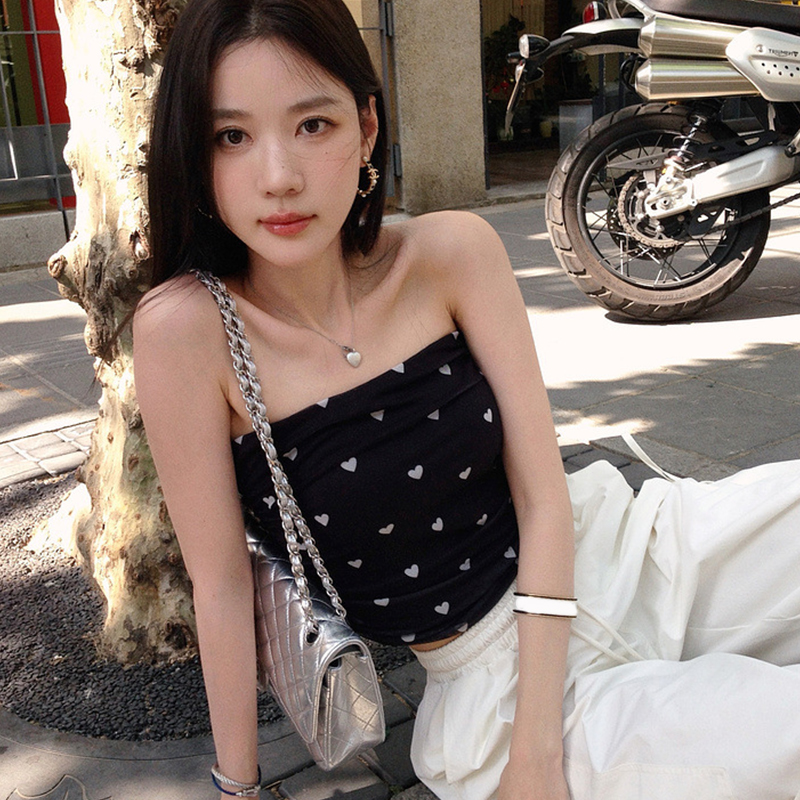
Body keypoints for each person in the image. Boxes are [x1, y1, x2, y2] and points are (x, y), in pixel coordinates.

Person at [132, 1, 800, 799]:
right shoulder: (186, 333)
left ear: (366, 128)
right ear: (194, 151)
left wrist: (540, 755)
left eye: (313, 124)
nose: (279, 175)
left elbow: (543, 495)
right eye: (231, 137)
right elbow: (222, 588)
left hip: (627, 553)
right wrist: (238, 789)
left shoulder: (451, 253)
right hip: (492, 684)